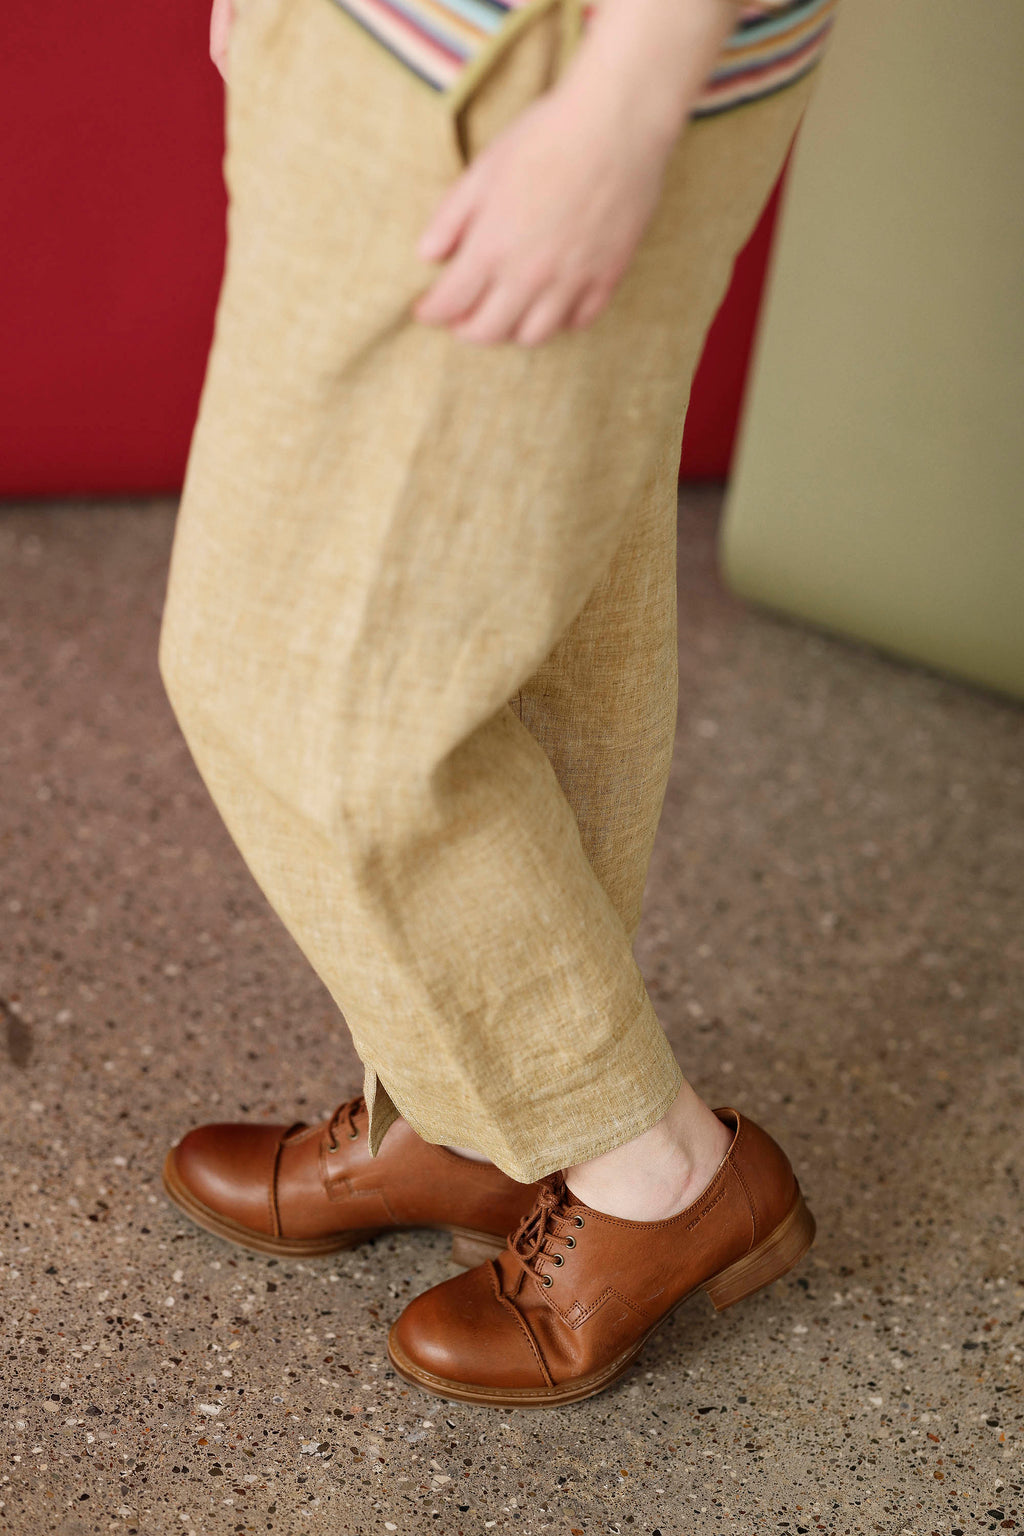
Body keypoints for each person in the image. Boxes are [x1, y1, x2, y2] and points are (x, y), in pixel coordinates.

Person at [158, 0, 835, 1406]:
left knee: (312, 684)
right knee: (535, 624)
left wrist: (625, 99)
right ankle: (477, 1117)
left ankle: (655, 1163)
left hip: (548, 53)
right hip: (407, 38)